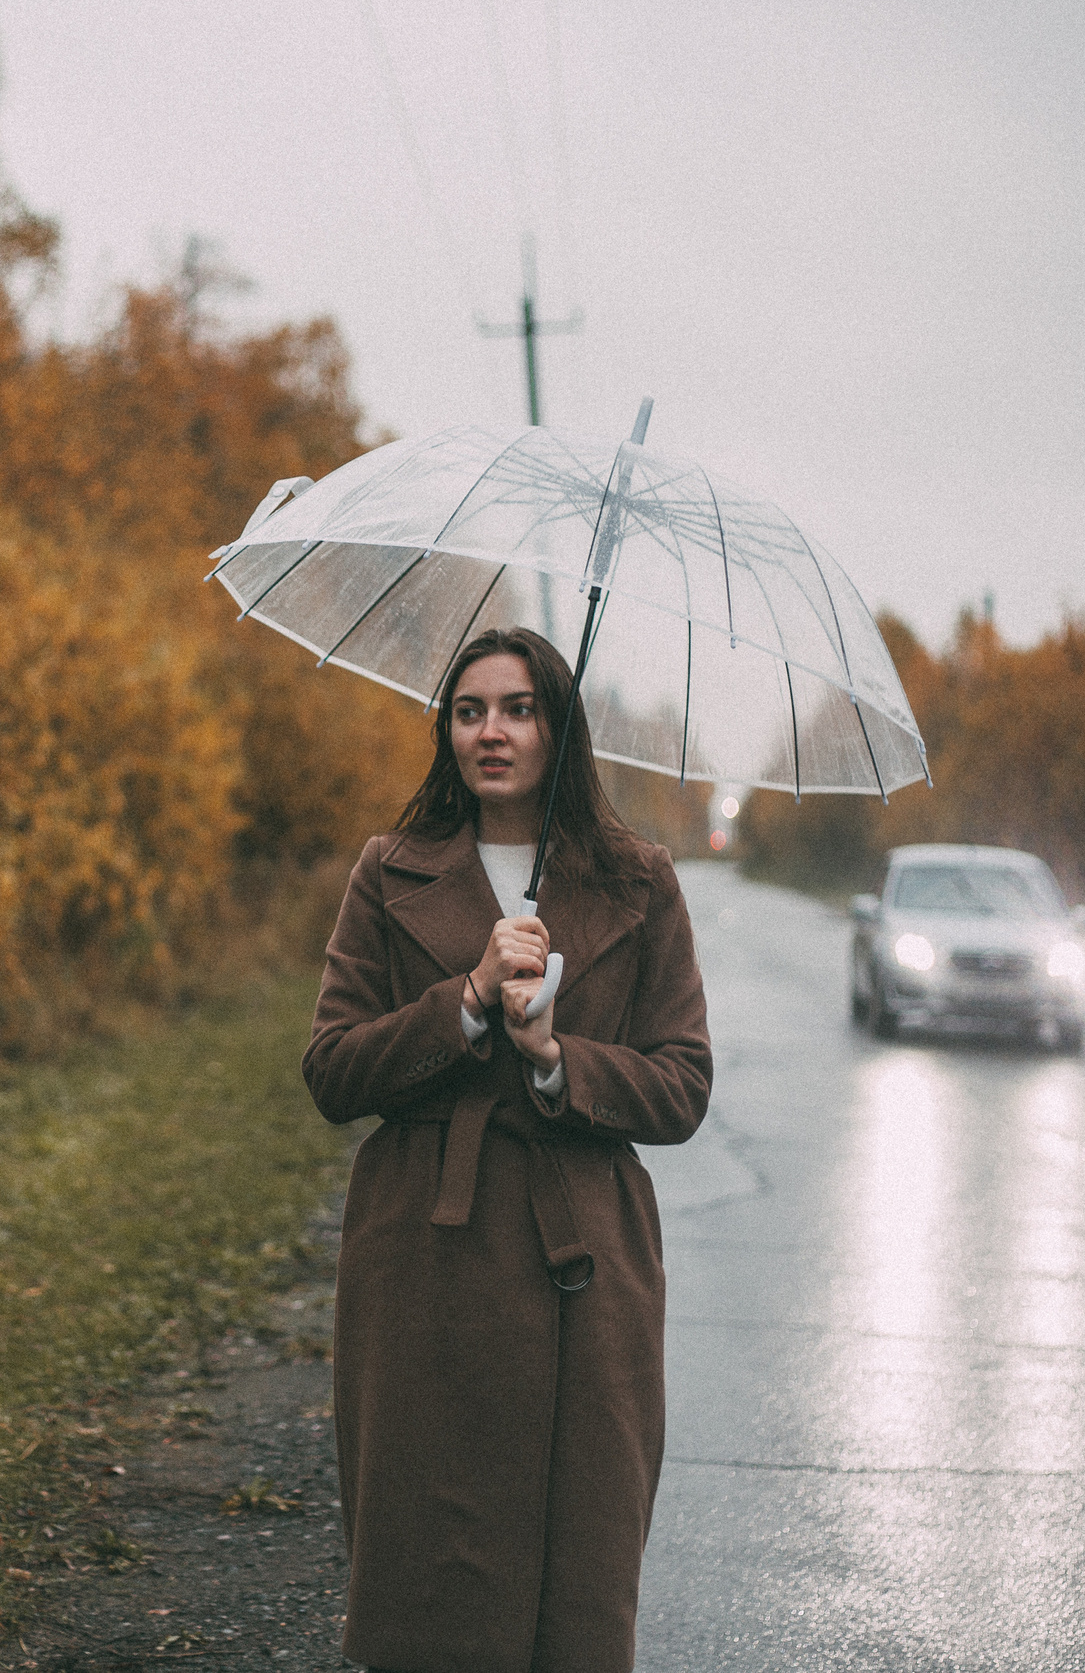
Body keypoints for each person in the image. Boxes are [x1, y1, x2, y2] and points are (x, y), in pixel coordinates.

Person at [304, 626, 713, 1673]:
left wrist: (554, 1057)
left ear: (556, 727)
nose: (492, 731)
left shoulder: (639, 882)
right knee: (429, 1564)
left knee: (576, 1558)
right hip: (424, 1255)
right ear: (445, 730)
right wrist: (469, 1000)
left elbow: (681, 1085)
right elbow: (335, 1072)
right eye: (469, 709)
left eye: (520, 708)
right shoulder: (388, 872)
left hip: (583, 1261)